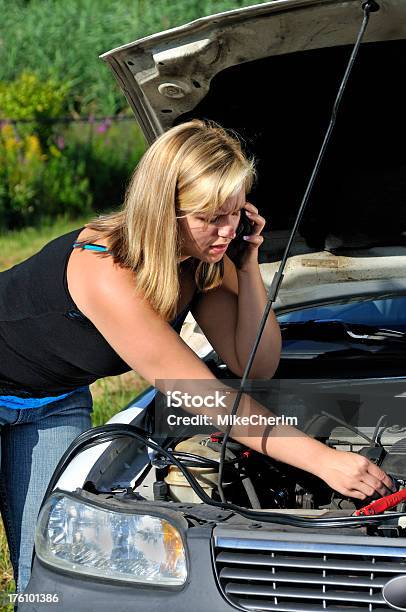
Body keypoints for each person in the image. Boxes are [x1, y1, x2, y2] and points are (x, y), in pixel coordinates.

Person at [0, 119, 393, 593]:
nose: (227, 230)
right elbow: (203, 398)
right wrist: (322, 460)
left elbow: (257, 365)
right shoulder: (105, 268)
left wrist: (247, 268)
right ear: (164, 211)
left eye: (236, 213)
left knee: (36, 565)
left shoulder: (204, 262)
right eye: (211, 217)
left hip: (54, 399)